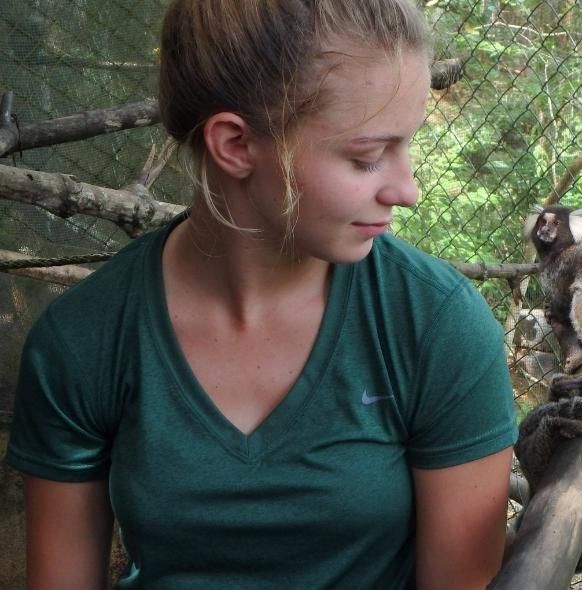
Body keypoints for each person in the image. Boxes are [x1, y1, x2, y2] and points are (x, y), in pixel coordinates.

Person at [5, 1, 518, 588]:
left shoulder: (434, 325)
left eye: (407, 146)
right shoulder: (84, 339)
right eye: (367, 157)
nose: (408, 191)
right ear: (236, 145)